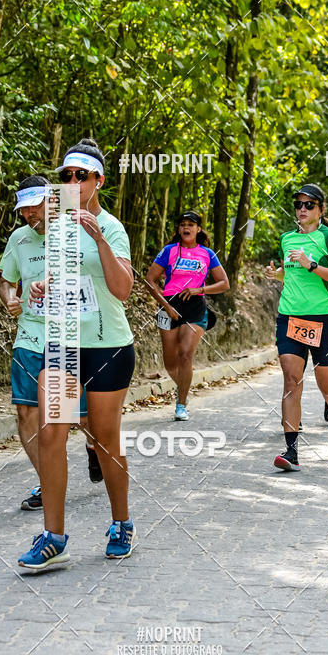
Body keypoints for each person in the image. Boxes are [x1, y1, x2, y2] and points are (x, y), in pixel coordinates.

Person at [18, 138, 136, 570]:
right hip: (64, 344)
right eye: (65, 176)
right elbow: (62, 277)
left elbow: (121, 290)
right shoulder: (59, 228)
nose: (71, 182)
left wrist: (99, 237)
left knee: (105, 442)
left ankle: (121, 522)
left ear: (98, 181)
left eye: (80, 176)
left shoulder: (113, 226)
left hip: (108, 347)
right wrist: (41, 286)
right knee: (52, 433)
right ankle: (54, 536)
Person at [0, 176, 101, 513]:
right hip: (30, 334)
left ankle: (94, 447)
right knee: (26, 411)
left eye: (35, 205)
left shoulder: (74, 230)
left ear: (52, 202)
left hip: (70, 335)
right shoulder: (18, 239)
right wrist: (10, 297)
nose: (29, 213)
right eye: (24, 208)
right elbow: (6, 280)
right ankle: (48, 481)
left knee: (81, 418)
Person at [265, 183, 328, 471]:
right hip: (289, 317)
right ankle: (291, 451)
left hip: (322, 319)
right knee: (291, 380)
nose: (302, 210)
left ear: (320, 209)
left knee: (327, 387)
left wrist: (312, 264)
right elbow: (292, 277)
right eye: (298, 205)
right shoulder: (287, 238)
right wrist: (276, 273)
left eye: (309, 205)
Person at [145, 211, 230, 420]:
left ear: (198, 229)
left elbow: (224, 284)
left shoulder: (207, 254)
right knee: (170, 363)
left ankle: (181, 403)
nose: (186, 228)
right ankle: (183, 387)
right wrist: (166, 306)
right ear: (178, 229)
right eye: (183, 224)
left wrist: (199, 290)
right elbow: (149, 280)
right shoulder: (169, 251)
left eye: (191, 224)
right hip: (168, 306)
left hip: (195, 307)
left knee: (185, 354)